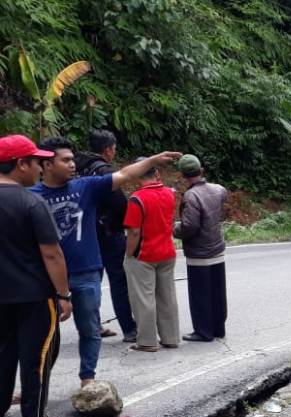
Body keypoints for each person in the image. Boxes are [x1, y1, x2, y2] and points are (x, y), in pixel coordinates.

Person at [30, 137, 180, 386]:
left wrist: (153, 160)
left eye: (72, 159)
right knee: (42, 335)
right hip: (45, 276)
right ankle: (36, 386)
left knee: (90, 329)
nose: (72, 165)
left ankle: (88, 378)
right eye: (65, 160)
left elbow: (124, 175)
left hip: (86, 272)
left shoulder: (85, 187)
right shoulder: (32, 196)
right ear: (46, 164)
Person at [0, 135, 72, 417]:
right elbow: (51, 253)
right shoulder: (31, 203)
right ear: (20, 164)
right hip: (34, 296)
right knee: (37, 357)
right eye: (36, 162)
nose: (41, 169)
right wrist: (63, 295)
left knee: (3, 353)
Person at [75, 129, 136, 342]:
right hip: (109, 231)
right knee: (118, 279)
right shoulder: (104, 171)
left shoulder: (79, 168)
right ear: (108, 149)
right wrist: (124, 224)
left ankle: (95, 325)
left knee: (93, 279)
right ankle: (129, 329)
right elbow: (119, 203)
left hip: (87, 231)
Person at [123, 160, 181, 352]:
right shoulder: (170, 194)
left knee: (144, 298)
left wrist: (128, 255)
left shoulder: (137, 199)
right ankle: (171, 337)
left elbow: (134, 232)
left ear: (137, 175)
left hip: (145, 254)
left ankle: (147, 341)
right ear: (156, 173)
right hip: (168, 251)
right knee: (167, 296)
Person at [173, 155, 228, 342]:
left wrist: (173, 228)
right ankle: (218, 328)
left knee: (200, 294)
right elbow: (222, 199)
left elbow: (189, 227)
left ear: (182, 175)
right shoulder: (218, 189)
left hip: (199, 253)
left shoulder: (191, 196)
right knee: (217, 292)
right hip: (217, 250)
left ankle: (203, 331)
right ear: (201, 170)